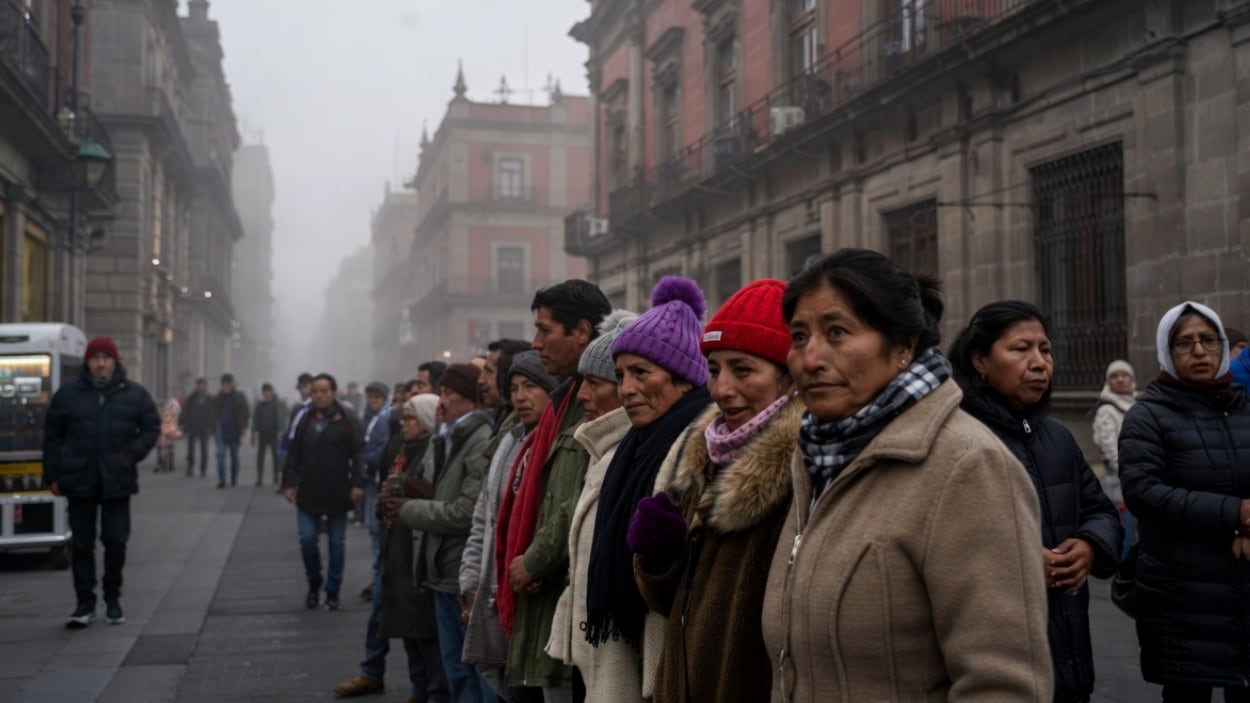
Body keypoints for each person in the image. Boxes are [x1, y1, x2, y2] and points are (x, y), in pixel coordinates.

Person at [761, 250, 1054, 703]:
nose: (810, 357)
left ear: (903, 347)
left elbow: (1003, 686)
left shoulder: (968, 466)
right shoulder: (815, 459)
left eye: (837, 332)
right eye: (799, 336)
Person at [627, 279, 800, 703]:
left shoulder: (805, 469)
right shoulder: (705, 457)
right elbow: (675, 606)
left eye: (743, 369)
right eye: (716, 368)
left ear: (791, 374)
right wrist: (660, 557)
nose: (721, 389)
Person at [950, 300, 1122, 703]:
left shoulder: (1058, 437)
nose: (1039, 362)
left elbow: (1100, 510)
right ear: (980, 361)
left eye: (1045, 349)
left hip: (1068, 654)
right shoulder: (958, 439)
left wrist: (1091, 546)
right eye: (1020, 349)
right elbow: (939, 544)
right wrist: (1019, 563)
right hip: (991, 664)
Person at [582, 278, 713, 700]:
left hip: (674, 655)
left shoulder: (702, 445)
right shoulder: (631, 447)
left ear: (684, 379)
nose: (627, 389)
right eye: (621, 375)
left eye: (642, 373)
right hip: (628, 646)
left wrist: (667, 552)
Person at [1120, 301, 1250, 703]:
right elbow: (1145, 492)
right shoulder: (1149, 415)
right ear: (1167, 352)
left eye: (1209, 340)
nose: (1199, 351)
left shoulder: (1244, 405)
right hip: (1182, 592)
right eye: (1185, 343)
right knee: (1188, 694)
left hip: (1243, 586)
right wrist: (1235, 515)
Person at [497, 280, 611, 702]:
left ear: (581, 332)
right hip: (551, 591)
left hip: (572, 595)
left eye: (545, 330)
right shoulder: (566, 400)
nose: (536, 342)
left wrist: (535, 560)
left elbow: (580, 496)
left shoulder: (595, 402)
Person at [384, 363, 494, 703]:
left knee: (476, 671)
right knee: (455, 669)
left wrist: (408, 509)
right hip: (440, 569)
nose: (441, 401)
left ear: (470, 400)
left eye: (450, 394)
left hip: (460, 571)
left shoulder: (479, 440)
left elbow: (465, 512)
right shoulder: (445, 436)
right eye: (441, 393)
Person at [544, 310, 636, 703]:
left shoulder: (633, 457)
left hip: (616, 658)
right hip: (591, 649)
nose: (582, 394)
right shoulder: (602, 448)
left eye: (594, 382)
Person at [334, 394, 449, 703]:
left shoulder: (435, 451)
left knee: (425, 631)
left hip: (419, 547)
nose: (404, 424)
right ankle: (418, 689)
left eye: (411, 418)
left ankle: (435, 692)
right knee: (407, 627)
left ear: (426, 420)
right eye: (404, 417)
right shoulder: (401, 448)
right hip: (396, 545)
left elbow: (440, 498)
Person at [42, 337, 160, 628]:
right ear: (88, 362)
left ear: (115, 361)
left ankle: (112, 598)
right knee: (81, 545)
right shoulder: (68, 395)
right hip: (79, 479)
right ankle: (84, 603)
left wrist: (129, 455)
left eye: (106, 357)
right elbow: (52, 437)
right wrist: (52, 475)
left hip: (117, 480)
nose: (101, 363)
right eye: (96, 358)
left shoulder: (134, 394)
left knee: (116, 541)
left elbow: (150, 427)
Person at [462, 351, 557, 700]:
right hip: (494, 590)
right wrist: (470, 578)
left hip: (533, 595)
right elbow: (483, 517)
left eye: (531, 386)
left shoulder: (560, 442)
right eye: (515, 387)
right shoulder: (509, 440)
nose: (520, 396)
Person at [281, 373, 365, 611]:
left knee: (337, 543)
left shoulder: (347, 419)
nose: (318, 395)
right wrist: (288, 483)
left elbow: (359, 452)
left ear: (333, 393)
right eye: (315, 391)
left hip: (338, 489)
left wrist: (358, 483)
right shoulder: (304, 419)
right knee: (307, 539)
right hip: (308, 491)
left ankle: (333, 590)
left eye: (324, 391)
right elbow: (293, 453)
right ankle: (314, 582)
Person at [1091, 360, 1137, 560]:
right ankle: (1122, 563)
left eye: (1124, 375)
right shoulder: (1106, 410)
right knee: (1125, 522)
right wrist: (1128, 473)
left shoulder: (1137, 405)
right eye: (1114, 376)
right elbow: (1110, 448)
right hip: (1121, 479)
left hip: (1138, 475)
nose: (1120, 379)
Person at [362, 381, 393, 561]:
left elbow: (381, 450)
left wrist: (366, 459)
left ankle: (378, 577)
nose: (372, 401)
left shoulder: (384, 419)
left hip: (377, 477)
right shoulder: (369, 416)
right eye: (369, 397)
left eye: (376, 398)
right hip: (371, 478)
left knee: (376, 530)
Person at [211, 373, 250, 489]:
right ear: (221, 385)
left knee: (234, 456)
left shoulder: (239, 396)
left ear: (232, 384)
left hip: (234, 429)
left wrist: (243, 426)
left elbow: (245, 412)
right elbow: (212, 413)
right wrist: (212, 427)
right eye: (224, 384)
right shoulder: (217, 397)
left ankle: (234, 478)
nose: (227, 386)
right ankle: (222, 479)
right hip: (221, 429)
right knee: (221, 454)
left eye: (229, 384)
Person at [279, 372, 314, 494]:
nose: (302, 390)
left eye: (305, 386)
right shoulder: (299, 408)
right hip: (291, 447)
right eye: (301, 387)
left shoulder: (314, 407)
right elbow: (292, 427)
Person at [250, 383, 286, 487]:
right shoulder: (259, 405)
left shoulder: (278, 404)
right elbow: (255, 419)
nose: (266, 393)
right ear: (262, 393)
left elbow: (282, 419)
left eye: (268, 391)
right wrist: (253, 433)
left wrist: (281, 432)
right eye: (264, 391)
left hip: (274, 434)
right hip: (263, 434)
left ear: (271, 392)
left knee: (275, 456)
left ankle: (275, 477)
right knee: (260, 456)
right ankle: (259, 478)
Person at [181, 377, 212, 477]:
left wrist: (211, 426)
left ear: (206, 386)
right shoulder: (191, 398)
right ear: (197, 386)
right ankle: (190, 466)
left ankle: (203, 468)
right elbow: (185, 412)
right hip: (192, 427)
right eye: (200, 385)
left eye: (204, 385)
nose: (202, 387)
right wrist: (184, 425)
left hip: (204, 427)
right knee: (191, 449)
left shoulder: (209, 398)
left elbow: (213, 413)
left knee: (204, 449)